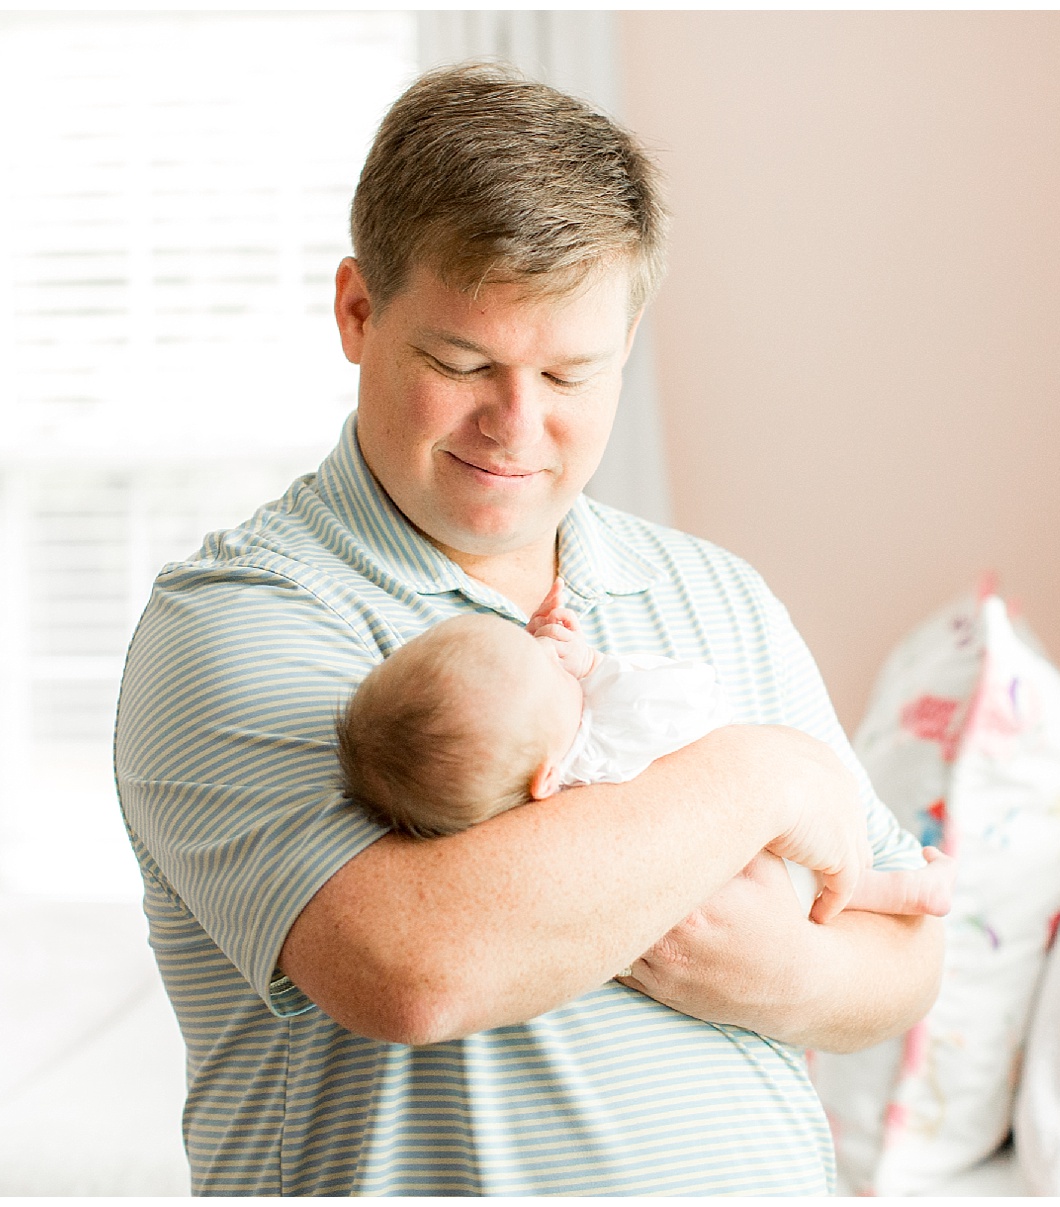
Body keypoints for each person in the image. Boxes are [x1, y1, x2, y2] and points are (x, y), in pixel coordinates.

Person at [115, 62, 943, 1195]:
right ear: (358, 312)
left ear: (627, 342)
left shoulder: (717, 594)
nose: (516, 424)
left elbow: (904, 944)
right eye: (463, 363)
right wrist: (755, 778)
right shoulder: (239, 620)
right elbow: (417, 968)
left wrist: (774, 971)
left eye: (569, 373)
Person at [334, 588, 957, 919]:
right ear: (547, 777)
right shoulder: (600, 748)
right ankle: (907, 893)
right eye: (545, 666)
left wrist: (550, 661)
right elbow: (695, 697)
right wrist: (595, 665)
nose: (550, 651)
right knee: (832, 887)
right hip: (755, 875)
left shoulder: (525, 776)